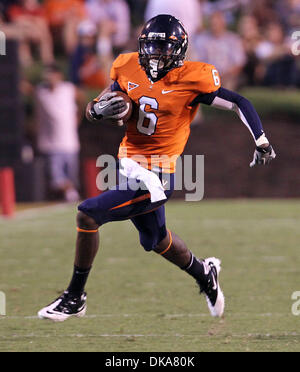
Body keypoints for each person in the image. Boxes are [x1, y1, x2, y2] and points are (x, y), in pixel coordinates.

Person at [38, 15, 276, 322]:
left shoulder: (194, 77)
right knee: (157, 241)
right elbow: (97, 105)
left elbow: (238, 102)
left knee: (88, 212)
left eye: (163, 47)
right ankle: (204, 272)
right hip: (128, 164)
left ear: (178, 51)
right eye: (150, 45)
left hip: (158, 176)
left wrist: (261, 139)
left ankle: (74, 297)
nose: (154, 53)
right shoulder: (126, 66)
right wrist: (96, 110)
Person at [35, 64, 83, 202]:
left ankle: (70, 194)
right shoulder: (41, 92)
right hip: (51, 144)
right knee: (57, 179)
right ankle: (71, 194)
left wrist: (78, 115)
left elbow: (81, 97)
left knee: (71, 177)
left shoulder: (68, 89)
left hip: (70, 142)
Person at [193, 11, 246, 90]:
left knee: (228, 86)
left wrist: (225, 75)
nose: (215, 26)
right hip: (207, 76)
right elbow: (197, 61)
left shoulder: (233, 39)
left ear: (223, 23)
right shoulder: (202, 40)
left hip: (228, 76)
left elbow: (239, 63)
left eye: (217, 23)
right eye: (213, 23)